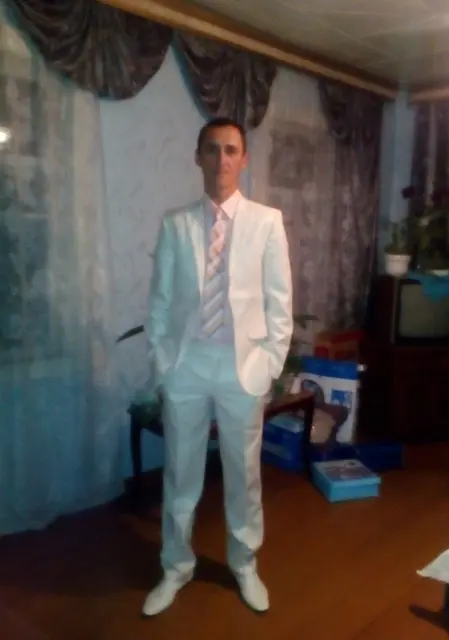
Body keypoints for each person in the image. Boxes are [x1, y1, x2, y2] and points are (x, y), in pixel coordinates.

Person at [143, 117, 293, 616]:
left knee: (243, 475)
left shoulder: (267, 222)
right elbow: (161, 302)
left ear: (243, 159)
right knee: (180, 471)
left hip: (241, 367)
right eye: (212, 149)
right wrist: (163, 364)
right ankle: (175, 566)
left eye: (231, 150)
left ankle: (244, 564)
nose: (222, 159)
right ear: (199, 157)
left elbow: (279, 302)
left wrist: (269, 365)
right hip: (186, 364)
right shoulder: (176, 224)